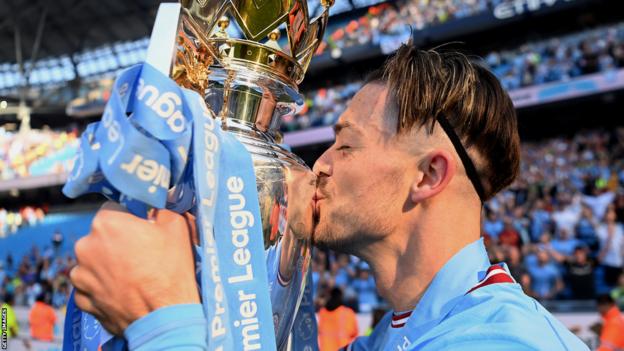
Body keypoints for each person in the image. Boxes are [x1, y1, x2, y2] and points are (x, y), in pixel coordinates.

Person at [69, 44, 589, 350]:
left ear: (429, 175)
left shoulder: (501, 341)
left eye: (346, 144)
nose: (319, 165)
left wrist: (161, 314)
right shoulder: (393, 335)